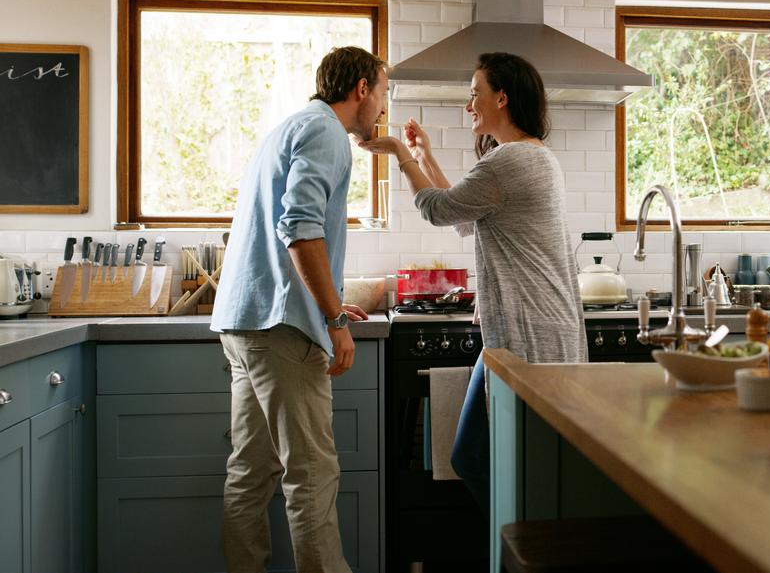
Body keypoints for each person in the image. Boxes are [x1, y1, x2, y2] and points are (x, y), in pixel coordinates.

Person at [356, 51, 587, 511]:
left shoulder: (510, 161)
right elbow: (465, 217)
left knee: (501, 460)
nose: (469, 106)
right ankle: (516, 541)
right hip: (521, 334)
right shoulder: (528, 158)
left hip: (530, 336)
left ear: (501, 98)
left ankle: (522, 545)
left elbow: (438, 209)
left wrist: (402, 155)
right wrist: (425, 156)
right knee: (480, 456)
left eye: (474, 94)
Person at [211, 46, 400, 573]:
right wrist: (333, 318)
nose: (382, 108)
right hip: (281, 328)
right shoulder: (326, 133)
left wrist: (332, 305)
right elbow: (299, 227)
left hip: (245, 322)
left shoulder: (289, 127)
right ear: (361, 89)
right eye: (382, 93)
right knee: (312, 475)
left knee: (249, 475)